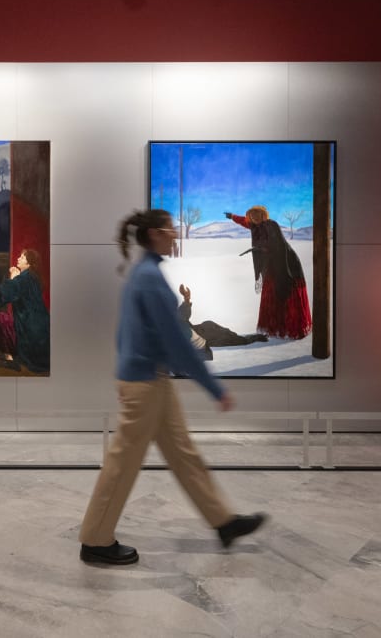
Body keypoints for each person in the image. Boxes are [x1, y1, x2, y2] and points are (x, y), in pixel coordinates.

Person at [78, 209, 267, 566]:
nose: (175, 234)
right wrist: (215, 388)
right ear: (153, 236)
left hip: (149, 380)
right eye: (169, 229)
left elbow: (125, 333)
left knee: (183, 454)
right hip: (144, 385)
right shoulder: (149, 278)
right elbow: (180, 343)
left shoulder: (143, 274)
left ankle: (222, 521)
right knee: (123, 464)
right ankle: (95, 540)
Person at [225, 206, 312, 340]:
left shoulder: (271, 225)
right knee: (271, 292)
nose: (254, 218)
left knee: (285, 290)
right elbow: (244, 221)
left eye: (256, 215)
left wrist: (263, 249)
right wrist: (232, 217)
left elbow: (277, 244)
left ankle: (291, 328)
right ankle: (275, 328)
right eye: (252, 216)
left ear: (263, 215)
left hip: (286, 263)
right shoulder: (255, 226)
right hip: (271, 265)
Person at [177, 283, 268, 361]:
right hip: (198, 350)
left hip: (206, 332)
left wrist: (186, 300)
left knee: (231, 336)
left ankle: (254, 337)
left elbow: (181, 316)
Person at [0, 248, 50, 373]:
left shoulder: (23, 278)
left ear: (29, 263)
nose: (18, 258)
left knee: (0, 317)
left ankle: (9, 356)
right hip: (42, 323)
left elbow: (5, 297)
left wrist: (13, 278)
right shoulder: (33, 277)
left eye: (22, 257)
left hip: (29, 326)